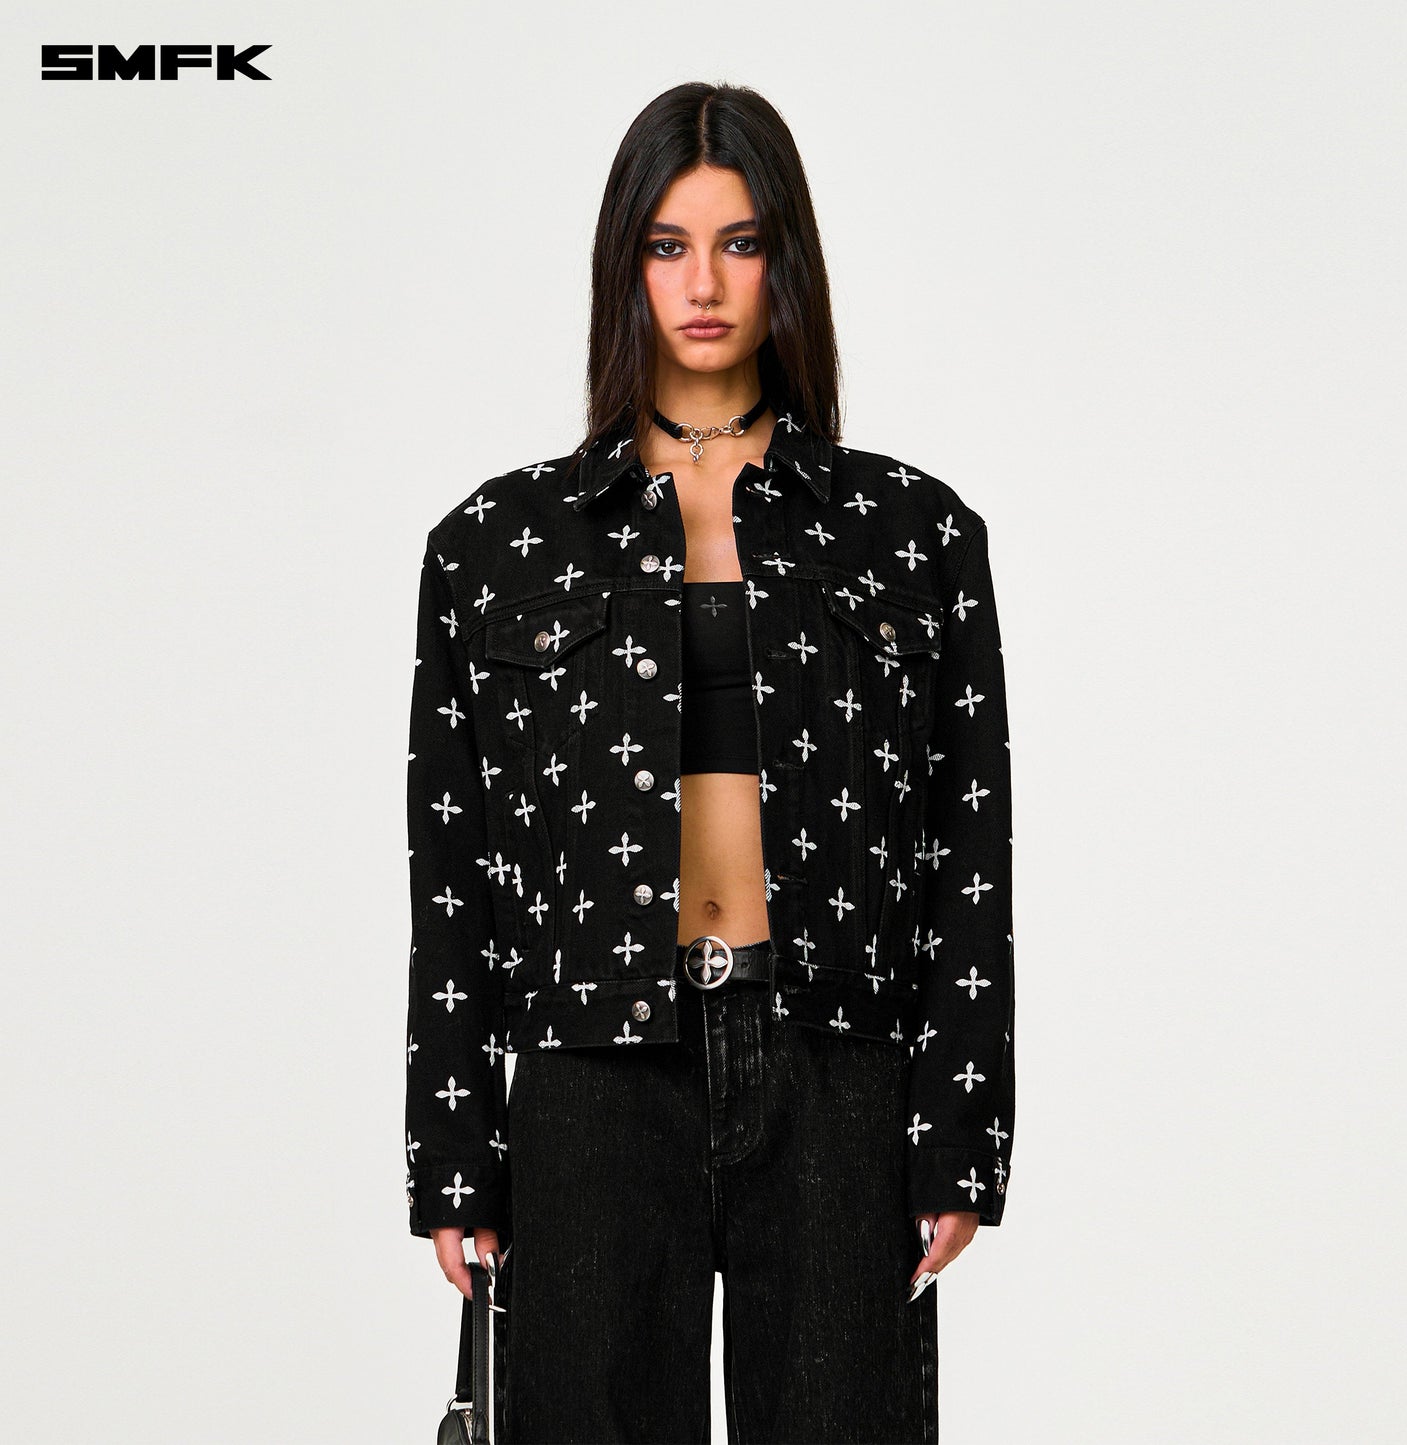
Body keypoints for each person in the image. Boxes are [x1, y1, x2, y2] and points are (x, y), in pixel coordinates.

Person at [403, 81, 1016, 1444]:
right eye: (666, 245)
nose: (703, 284)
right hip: (591, 1070)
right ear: (623, 266)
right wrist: (453, 1153)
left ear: (785, 262)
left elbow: (967, 851)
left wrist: (959, 1126)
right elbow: (452, 874)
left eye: (739, 243)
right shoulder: (493, 545)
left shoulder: (913, 535)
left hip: (833, 1062)